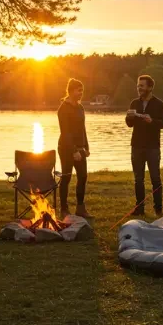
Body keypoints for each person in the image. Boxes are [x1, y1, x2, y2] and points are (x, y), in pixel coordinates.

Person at [125, 75, 163, 216]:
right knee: (138, 179)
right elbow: (129, 124)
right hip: (136, 145)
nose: (139, 88)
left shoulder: (159, 104)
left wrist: (152, 121)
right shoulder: (134, 103)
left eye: (142, 86)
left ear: (150, 87)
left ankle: (158, 208)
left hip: (153, 147)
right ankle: (140, 208)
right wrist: (129, 117)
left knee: (155, 178)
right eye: (138, 86)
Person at [57, 78, 92, 219]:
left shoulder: (80, 107)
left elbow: (82, 128)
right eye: (79, 90)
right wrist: (73, 151)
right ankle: (64, 209)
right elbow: (66, 132)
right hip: (66, 148)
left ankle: (80, 208)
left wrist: (86, 147)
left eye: (82, 90)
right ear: (71, 91)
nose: (81, 93)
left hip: (80, 147)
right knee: (66, 177)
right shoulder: (63, 109)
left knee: (83, 176)